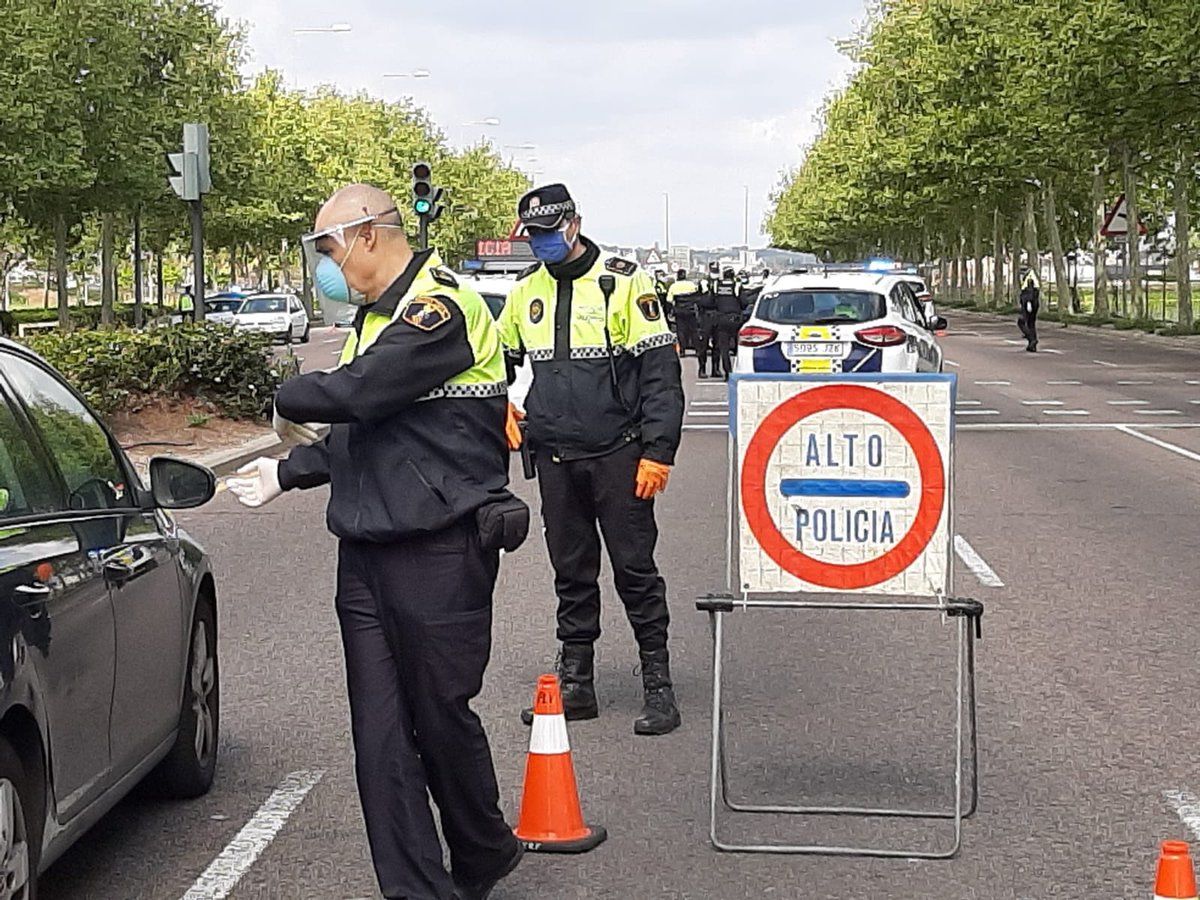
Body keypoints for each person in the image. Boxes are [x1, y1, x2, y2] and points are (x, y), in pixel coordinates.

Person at [225, 183, 523, 900]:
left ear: (365, 235)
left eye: (327, 247)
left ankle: (483, 847)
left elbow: (360, 393)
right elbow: (365, 432)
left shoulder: (440, 310)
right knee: (382, 737)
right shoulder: (370, 320)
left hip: (441, 550)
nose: (326, 264)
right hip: (364, 554)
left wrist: (275, 394)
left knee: (440, 719)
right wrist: (289, 470)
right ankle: (418, 889)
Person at [497, 183, 684, 736]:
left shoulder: (624, 285)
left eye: (550, 233)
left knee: (635, 571)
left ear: (574, 225)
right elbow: (495, 361)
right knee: (571, 572)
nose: (542, 244)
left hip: (618, 455)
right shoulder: (524, 291)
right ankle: (577, 685)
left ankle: (659, 686)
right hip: (555, 456)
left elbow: (660, 378)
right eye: (533, 236)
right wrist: (497, 402)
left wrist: (659, 452)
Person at [712, 267, 743, 381]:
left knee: (724, 348)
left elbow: (712, 302)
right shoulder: (737, 286)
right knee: (740, 347)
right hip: (735, 320)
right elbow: (744, 302)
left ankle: (728, 373)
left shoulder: (717, 286)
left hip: (722, 319)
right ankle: (740, 371)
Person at [666, 268, 701, 356]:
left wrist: (670, 312)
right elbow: (697, 297)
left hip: (679, 312)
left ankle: (682, 350)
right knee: (694, 331)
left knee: (681, 331)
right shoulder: (691, 284)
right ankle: (697, 350)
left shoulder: (673, 286)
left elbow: (669, 300)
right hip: (691, 311)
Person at [695, 263, 720, 377]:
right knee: (703, 345)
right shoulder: (703, 283)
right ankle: (702, 369)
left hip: (717, 315)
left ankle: (715, 369)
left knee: (717, 345)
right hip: (705, 316)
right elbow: (699, 300)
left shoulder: (720, 284)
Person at [1019, 265, 1040, 352]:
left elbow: (1030, 291)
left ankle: (1031, 338)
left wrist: (1028, 303)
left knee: (1021, 322)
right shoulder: (1033, 278)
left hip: (1029, 303)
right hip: (1034, 303)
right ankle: (1031, 345)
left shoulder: (1029, 279)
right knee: (1031, 323)